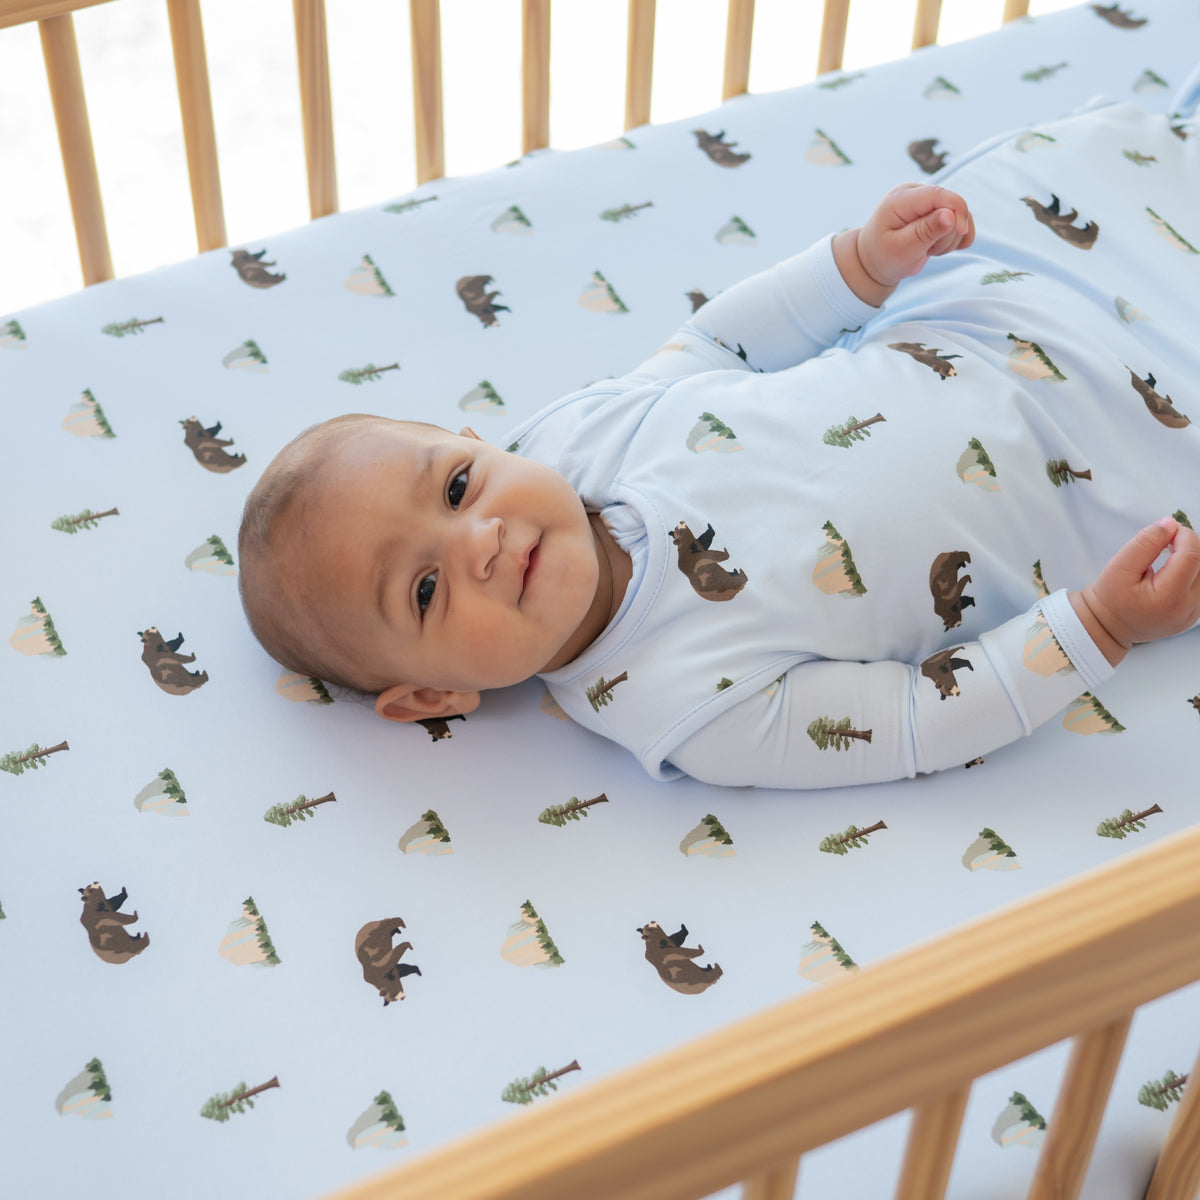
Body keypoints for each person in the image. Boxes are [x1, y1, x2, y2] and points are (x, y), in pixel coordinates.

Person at [238, 96, 1200, 788]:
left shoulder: (579, 439)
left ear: (474, 440)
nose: (477, 539)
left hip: (1009, 309)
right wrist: (1100, 628)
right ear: (431, 696)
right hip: (1132, 461)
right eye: (424, 589)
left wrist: (861, 266)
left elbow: (720, 343)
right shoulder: (685, 706)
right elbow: (918, 718)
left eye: (455, 487)